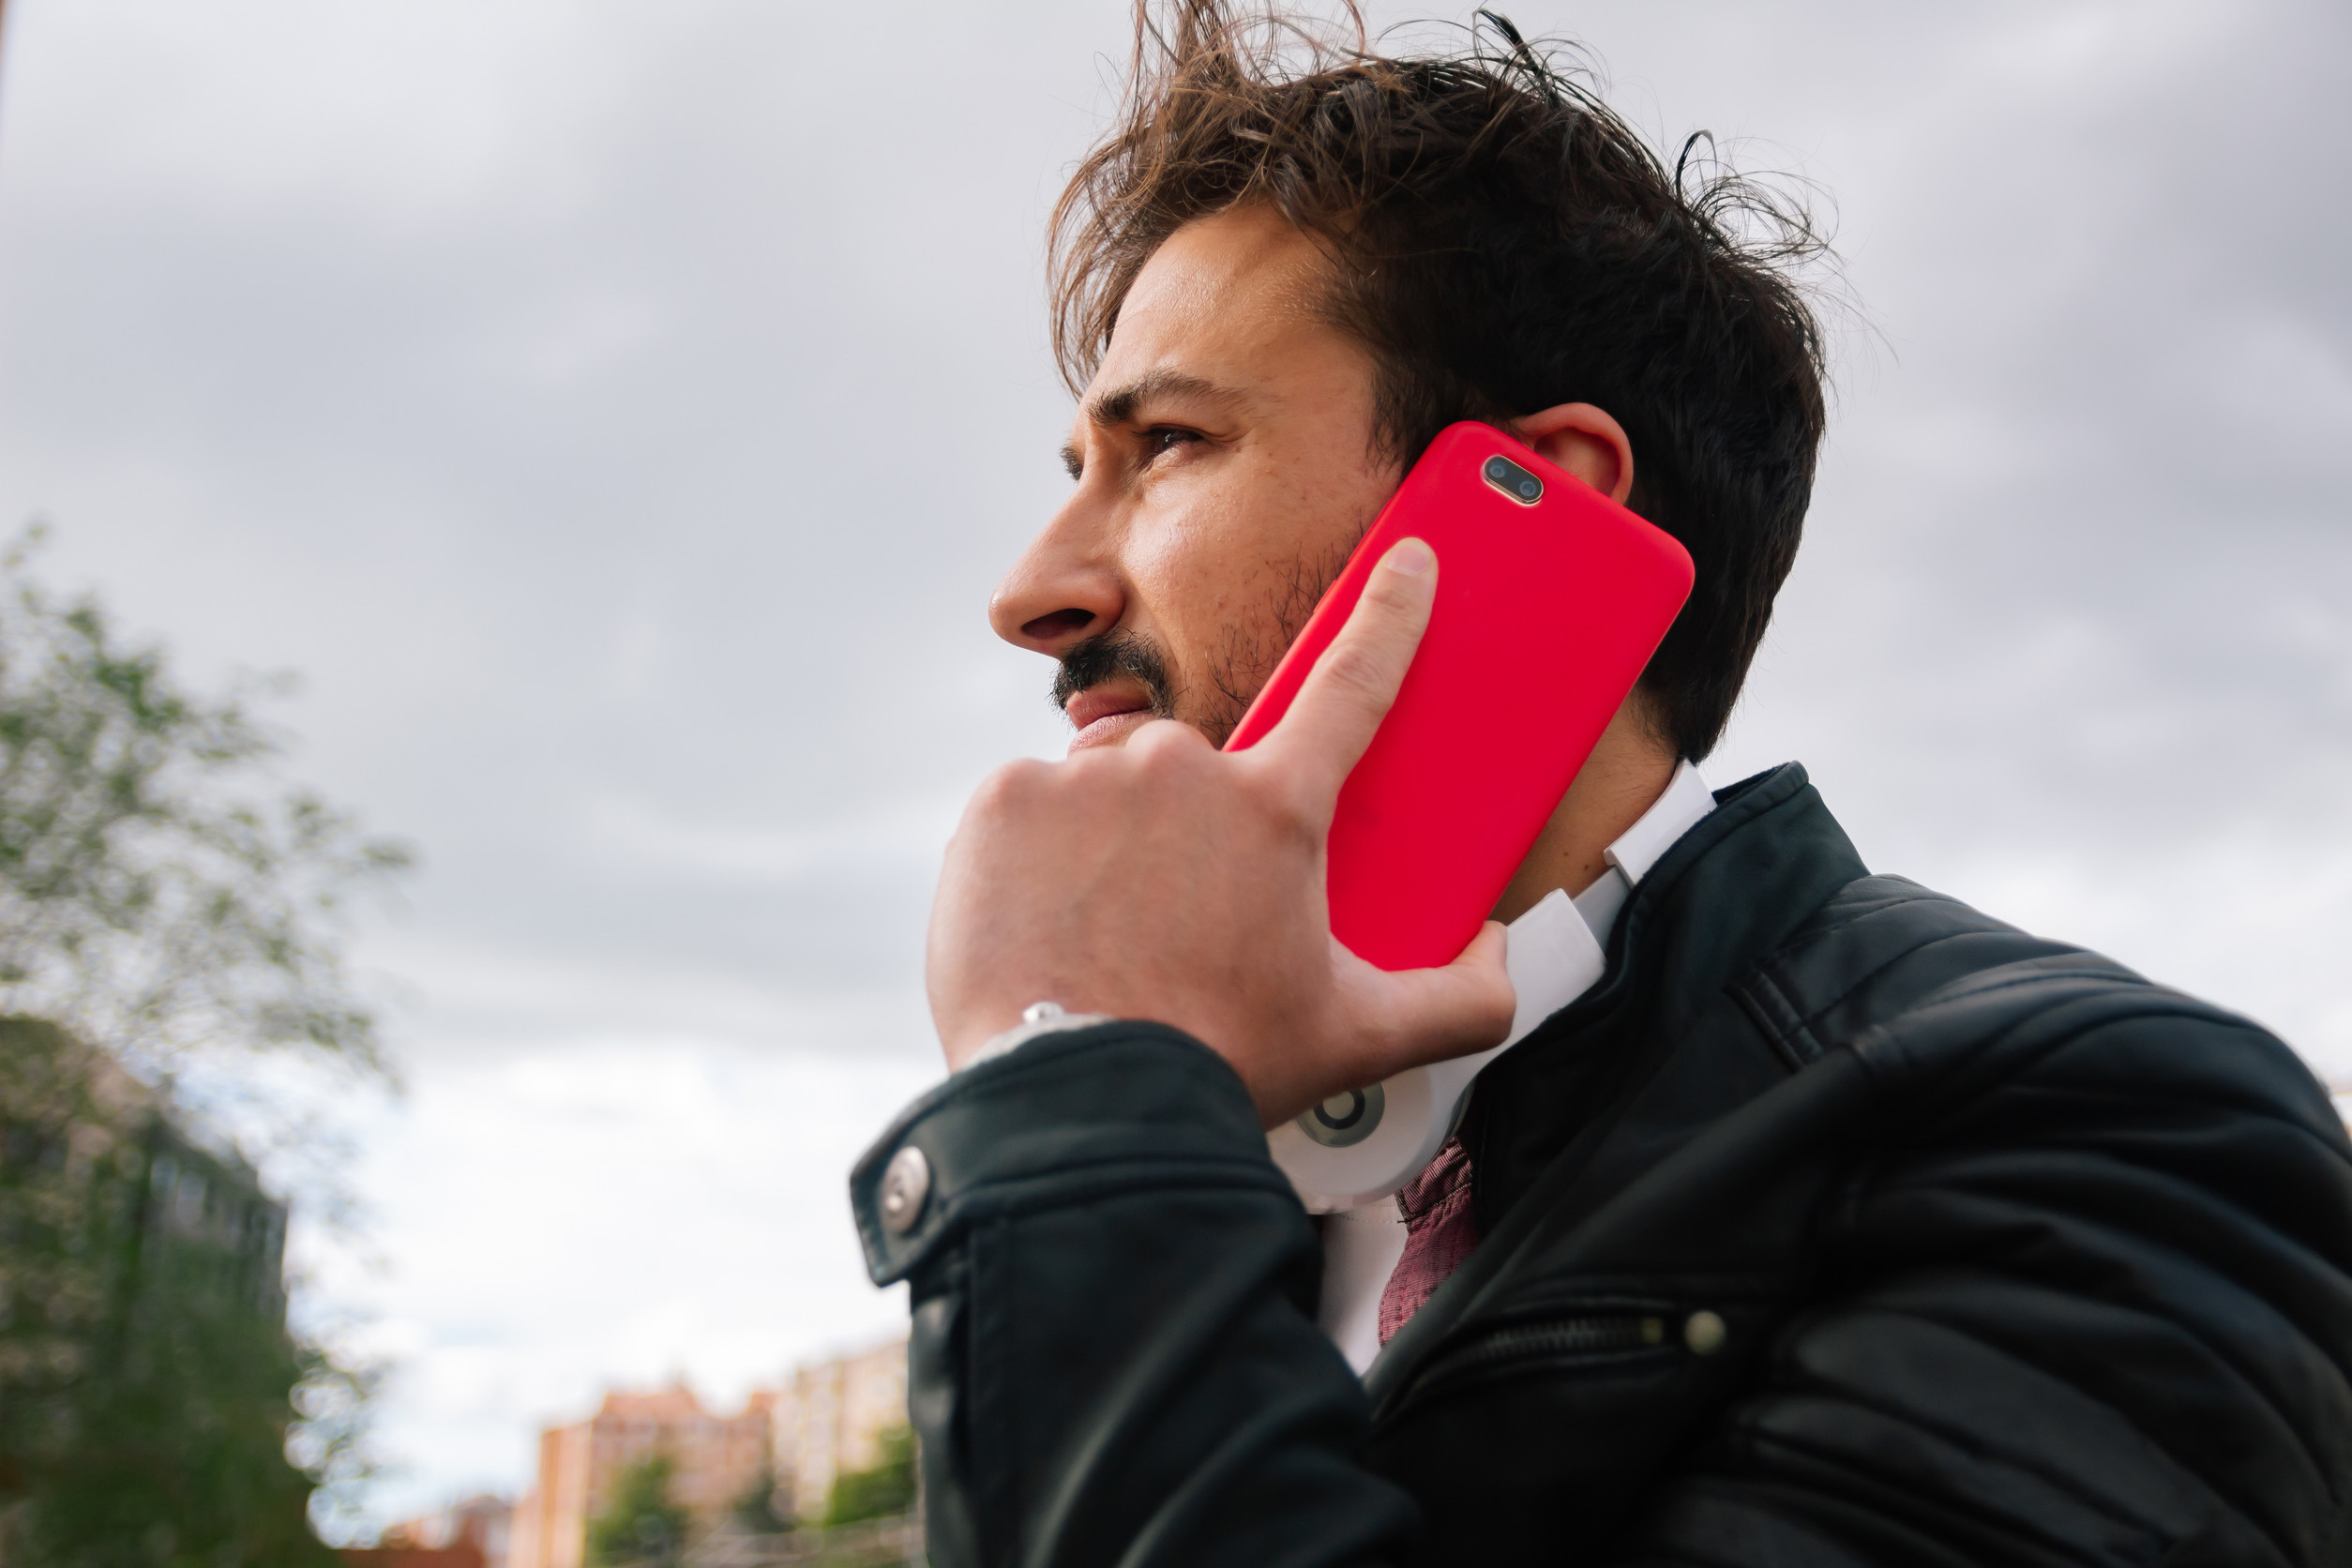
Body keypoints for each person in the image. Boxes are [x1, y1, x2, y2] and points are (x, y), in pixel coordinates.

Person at [849, 7, 2352, 1564]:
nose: (1034, 591)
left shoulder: (2104, 1132)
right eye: (1074, 478)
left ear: (1529, 513)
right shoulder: (1230, 1171)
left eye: (1164, 443)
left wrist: (1078, 1116)